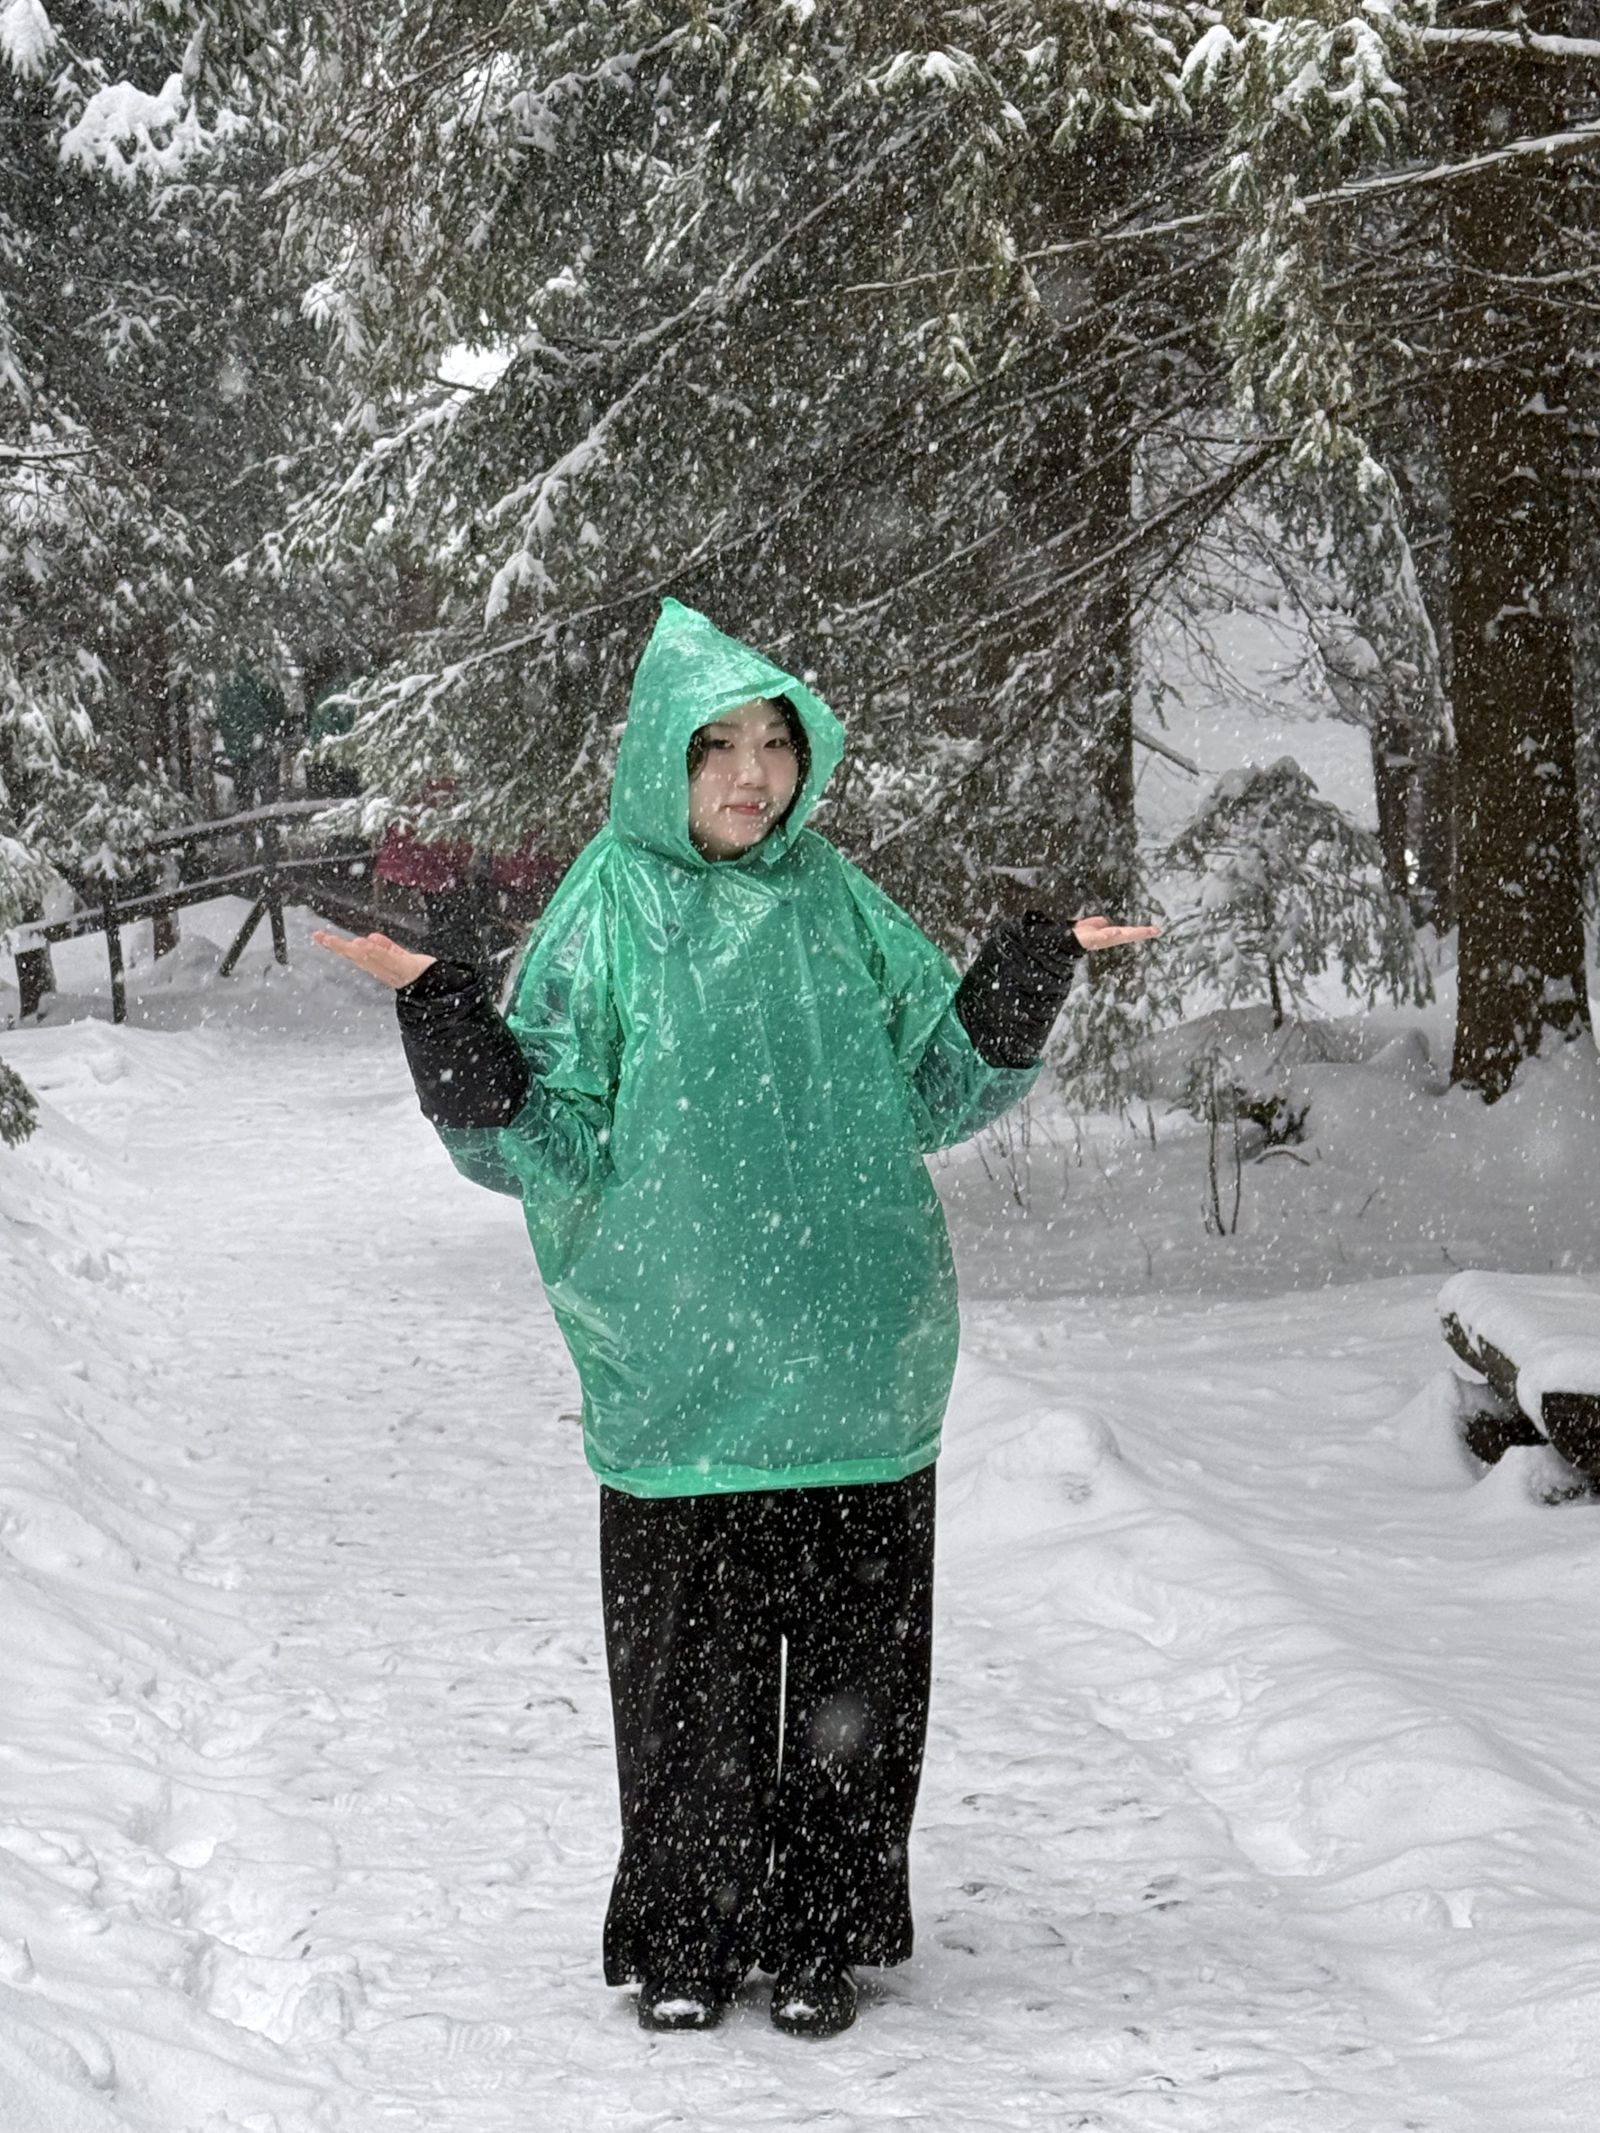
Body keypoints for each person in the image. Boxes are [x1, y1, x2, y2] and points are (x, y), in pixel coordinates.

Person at [314, 599, 1158, 2039]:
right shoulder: (608, 908)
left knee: (849, 1691)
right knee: (691, 1691)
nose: (754, 773)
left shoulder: (833, 899)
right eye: (720, 746)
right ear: (665, 759)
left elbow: (936, 1085)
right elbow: (546, 1135)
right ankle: (691, 1937)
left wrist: (1028, 967)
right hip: (681, 1385)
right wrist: (450, 1017)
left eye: (776, 741)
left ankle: (822, 1932)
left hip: (853, 1371)